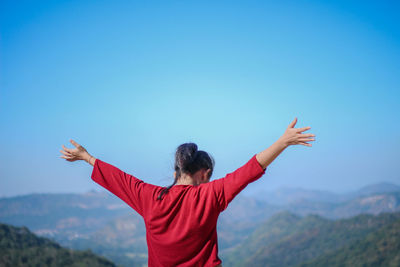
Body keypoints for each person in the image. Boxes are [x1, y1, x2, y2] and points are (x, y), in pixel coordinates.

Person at [59, 117, 315, 267]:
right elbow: (251, 168)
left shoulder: (150, 197)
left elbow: (120, 180)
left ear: (176, 172)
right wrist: (283, 142)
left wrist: (87, 157)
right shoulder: (210, 195)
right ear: (203, 173)